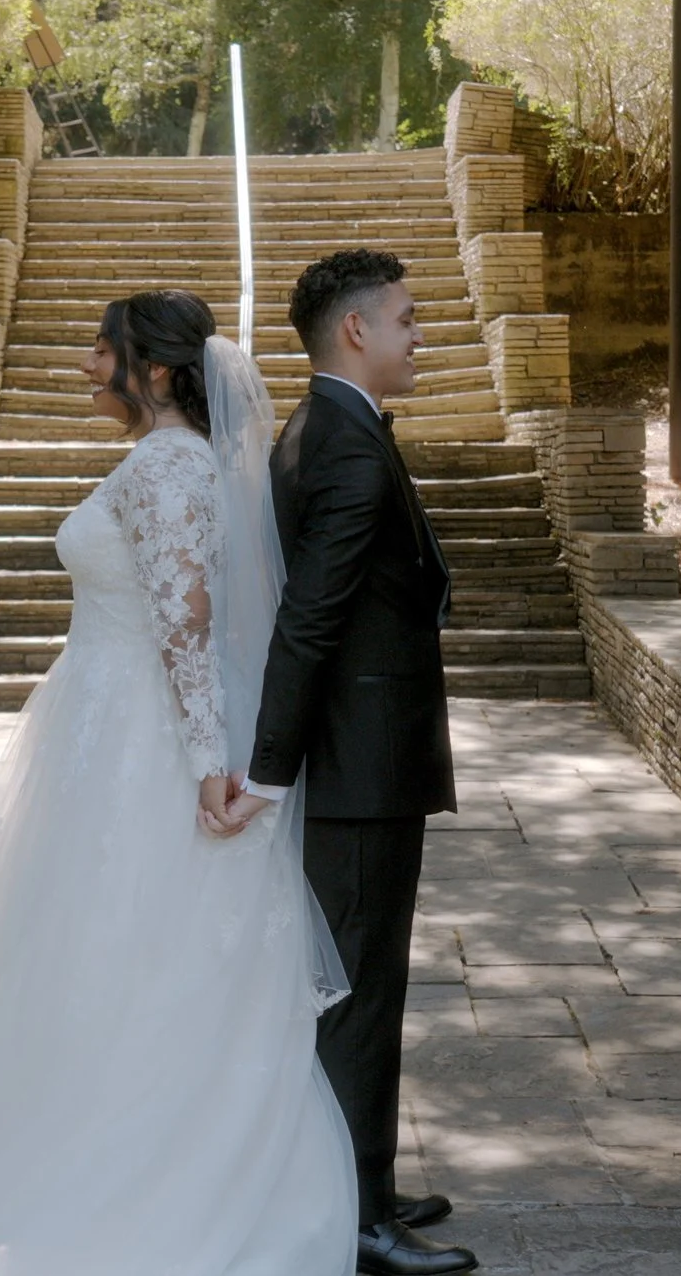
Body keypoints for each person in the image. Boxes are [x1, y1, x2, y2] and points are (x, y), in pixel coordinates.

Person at [0, 289, 358, 1275]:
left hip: (139, 739)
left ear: (162, 371)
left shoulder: (169, 464)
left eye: (105, 352)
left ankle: (131, 1170)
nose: (88, 368)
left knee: (125, 943)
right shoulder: (166, 462)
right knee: (76, 945)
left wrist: (209, 767)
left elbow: (187, 620)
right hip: (97, 724)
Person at [211, 249, 477, 1276]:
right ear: (356, 330)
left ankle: (360, 1171)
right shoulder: (346, 447)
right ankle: (357, 1217)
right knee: (358, 990)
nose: (421, 335)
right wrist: (271, 768)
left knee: (363, 982)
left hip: (360, 760)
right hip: (356, 767)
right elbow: (308, 620)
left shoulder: (322, 426)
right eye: (407, 319)